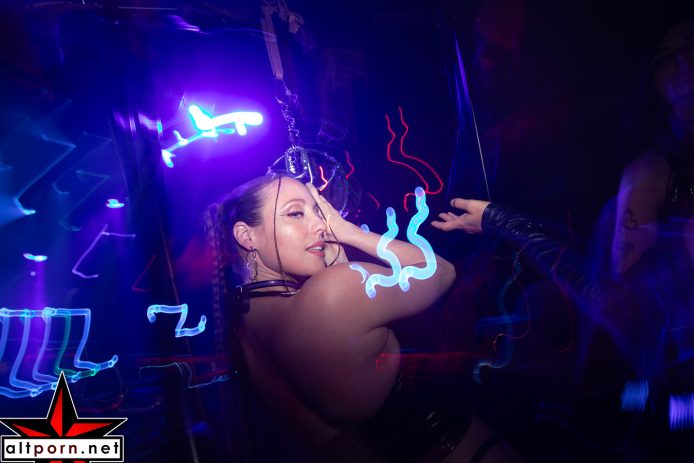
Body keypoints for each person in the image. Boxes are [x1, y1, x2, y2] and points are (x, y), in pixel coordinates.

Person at [205, 173, 525, 462]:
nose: (322, 225)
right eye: (296, 213)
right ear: (246, 236)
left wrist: (340, 265)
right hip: (460, 450)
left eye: (319, 212)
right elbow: (440, 271)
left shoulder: (241, 331)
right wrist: (349, 233)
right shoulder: (332, 291)